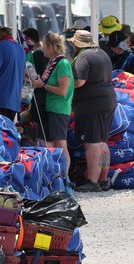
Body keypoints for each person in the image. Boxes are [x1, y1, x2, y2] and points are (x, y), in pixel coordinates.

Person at [68, 30, 117, 192]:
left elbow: (79, 81)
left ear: (77, 44)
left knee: (91, 142)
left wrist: (63, 85)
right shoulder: (101, 53)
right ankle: (102, 180)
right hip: (107, 100)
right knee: (102, 141)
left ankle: (93, 181)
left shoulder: (83, 56)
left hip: (90, 105)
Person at [28, 32, 74, 175]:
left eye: (44, 46)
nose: (42, 49)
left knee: (60, 144)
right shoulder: (52, 63)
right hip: (49, 108)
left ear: (51, 46)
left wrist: (42, 85)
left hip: (59, 109)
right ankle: (52, 175)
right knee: (42, 141)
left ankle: (65, 178)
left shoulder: (63, 63)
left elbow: (62, 90)